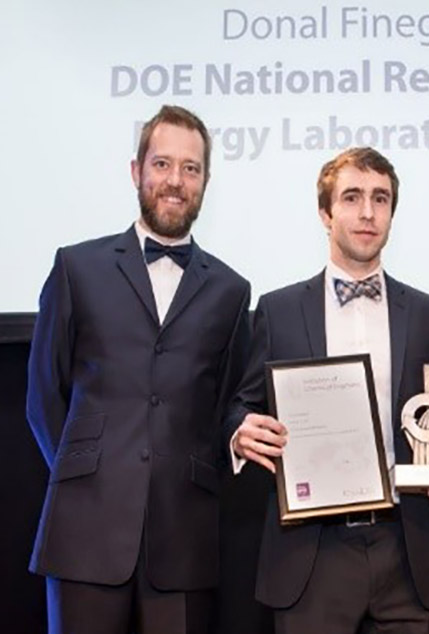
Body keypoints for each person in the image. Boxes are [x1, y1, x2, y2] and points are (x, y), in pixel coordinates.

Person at [224, 147, 429, 634]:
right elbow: (242, 404)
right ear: (325, 212)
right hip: (311, 551)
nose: (367, 212)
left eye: (380, 199)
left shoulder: (426, 313)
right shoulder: (278, 310)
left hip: (407, 546)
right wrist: (240, 433)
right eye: (352, 197)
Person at [26, 105, 251, 634]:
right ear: (137, 171)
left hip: (185, 540)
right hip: (85, 532)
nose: (176, 181)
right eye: (163, 164)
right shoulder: (76, 267)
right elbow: (43, 394)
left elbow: (225, 408)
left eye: (191, 169)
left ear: (205, 182)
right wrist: (88, 476)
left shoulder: (232, 289)